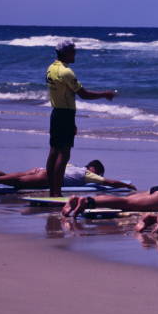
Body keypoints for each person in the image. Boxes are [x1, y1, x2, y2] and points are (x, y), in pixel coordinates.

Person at [46, 39, 117, 196]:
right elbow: (84, 94)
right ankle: (56, 193)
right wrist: (105, 94)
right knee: (64, 154)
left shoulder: (51, 68)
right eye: (73, 50)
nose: (75, 53)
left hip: (56, 113)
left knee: (53, 151)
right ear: (66, 52)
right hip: (65, 114)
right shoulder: (66, 72)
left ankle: (52, 190)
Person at [0, 160, 136, 194]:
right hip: (47, 177)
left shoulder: (72, 165)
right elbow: (110, 182)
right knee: (19, 183)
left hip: (41, 169)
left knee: (11, 176)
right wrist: (127, 186)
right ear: (95, 170)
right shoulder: (88, 174)